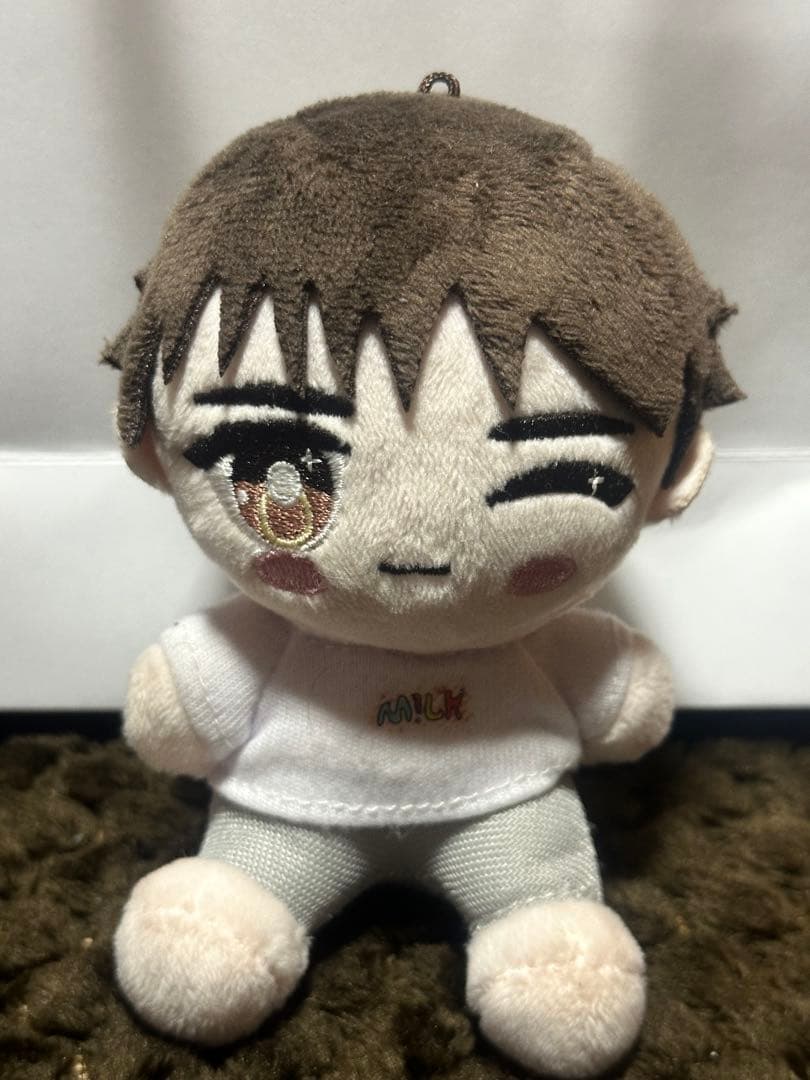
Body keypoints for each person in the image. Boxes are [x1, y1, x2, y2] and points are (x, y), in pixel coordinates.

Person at [106, 86, 740, 1078]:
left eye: (557, 472)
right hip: (289, 812)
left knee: (557, 964)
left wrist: (619, 690)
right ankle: (248, 895)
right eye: (282, 462)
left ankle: (540, 923)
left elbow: (624, 705)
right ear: (154, 444)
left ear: (677, 470)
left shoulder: (543, 639)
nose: (412, 549)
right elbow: (176, 717)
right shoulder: (271, 636)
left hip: (509, 814)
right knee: (210, 949)